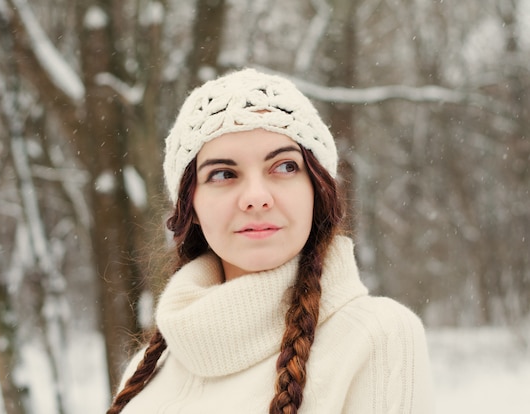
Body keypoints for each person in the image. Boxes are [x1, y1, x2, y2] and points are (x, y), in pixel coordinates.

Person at [107, 68, 434, 414]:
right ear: (193, 207)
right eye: (223, 174)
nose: (256, 197)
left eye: (284, 167)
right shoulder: (148, 369)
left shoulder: (375, 338)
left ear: (316, 190)